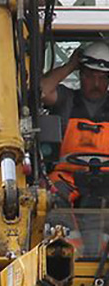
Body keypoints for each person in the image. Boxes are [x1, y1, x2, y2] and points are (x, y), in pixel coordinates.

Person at [41, 41, 109, 205]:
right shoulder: (67, 100)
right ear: (80, 74)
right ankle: (64, 231)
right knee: (50, 200)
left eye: (102, 78)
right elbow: (42, 91)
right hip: (67, 177)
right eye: (90, 76)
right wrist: (69, 66)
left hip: (107, 179)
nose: (96, 84)